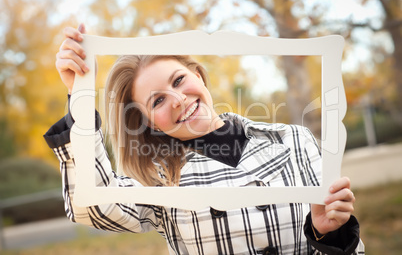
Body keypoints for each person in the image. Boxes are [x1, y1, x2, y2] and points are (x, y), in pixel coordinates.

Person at [44, 24, 365, 255]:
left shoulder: (294, 139)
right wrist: (81, 96)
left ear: (197, 74)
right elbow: (94, 206)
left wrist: (330, 237)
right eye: (157, 101)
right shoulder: (158, 179)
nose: (178, 99)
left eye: (179, 80)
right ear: (147, 123)